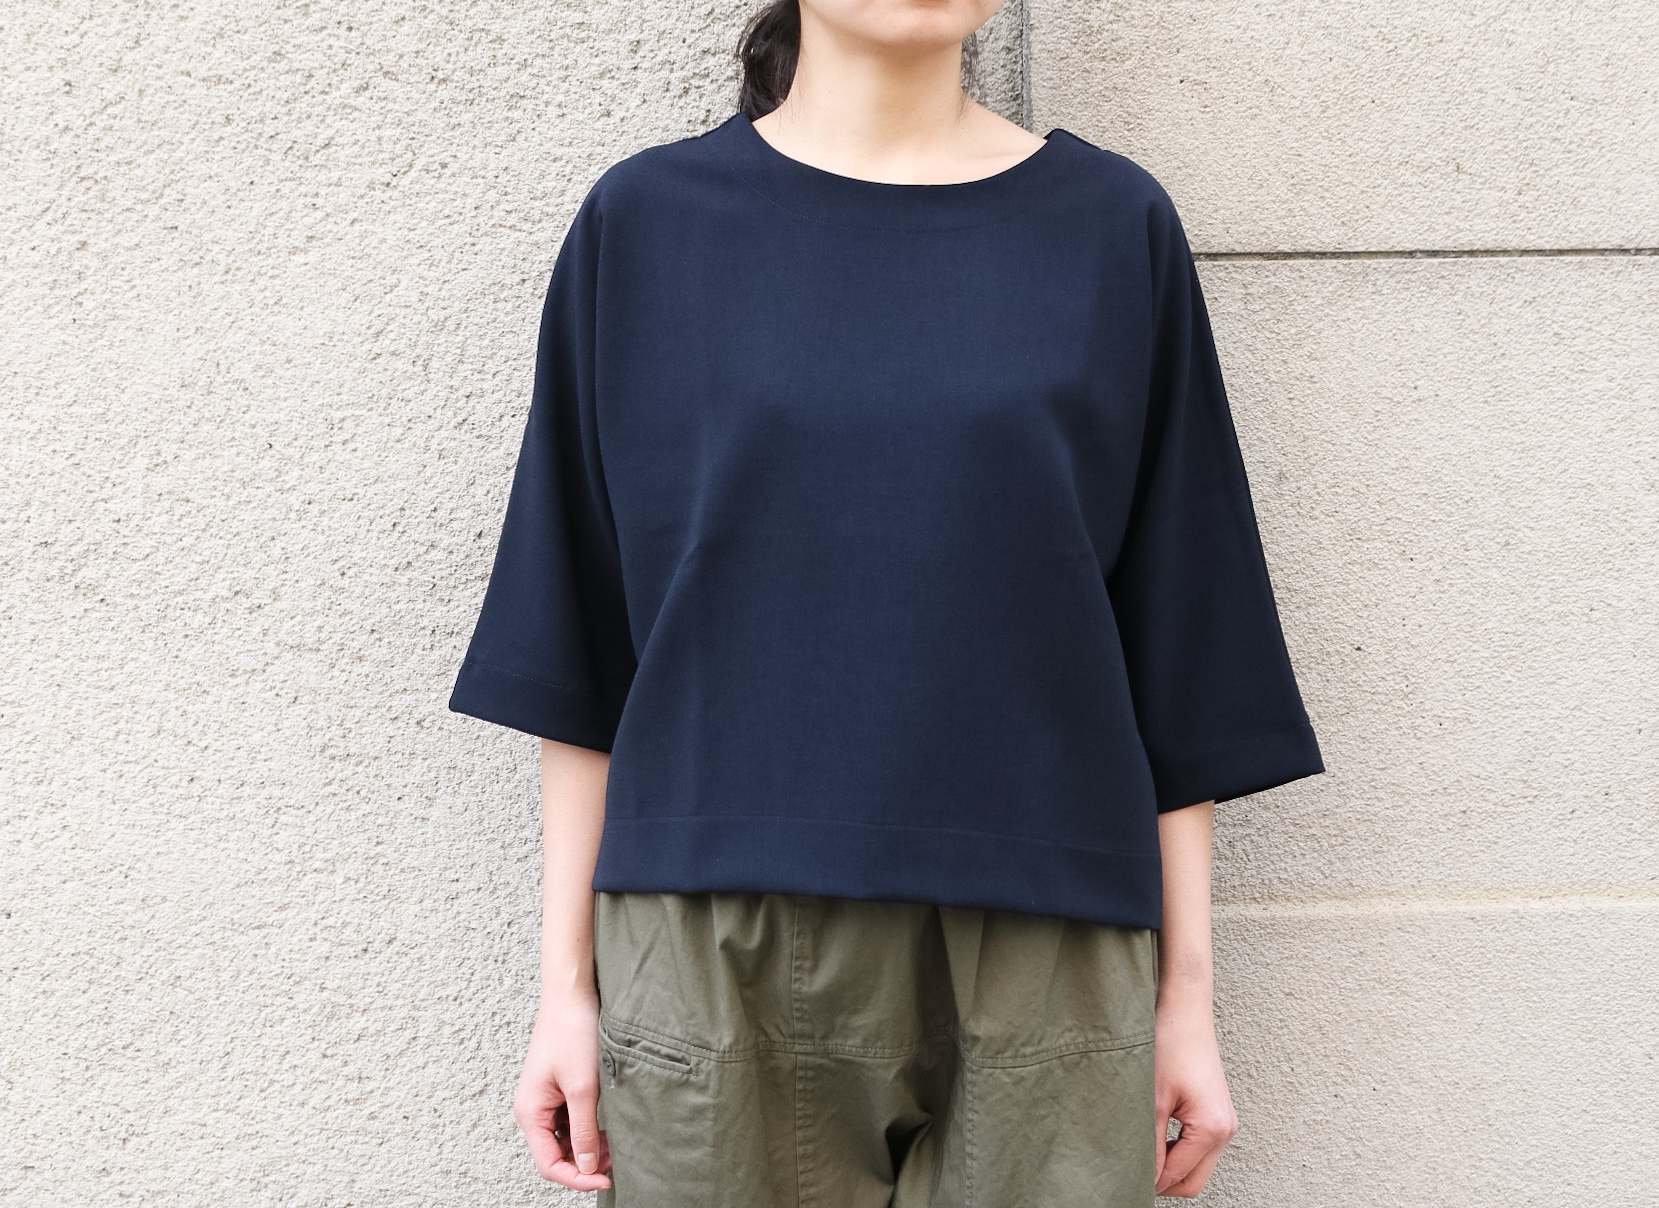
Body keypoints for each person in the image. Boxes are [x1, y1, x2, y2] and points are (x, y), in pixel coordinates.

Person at [446, 1, 1324, 1203]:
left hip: (1053, 944)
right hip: (713, 937)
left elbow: (1185, 647)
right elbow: (578, 648)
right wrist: (565, 991)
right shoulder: (646, 225)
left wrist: (1187, 999)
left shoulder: (1111, 228)